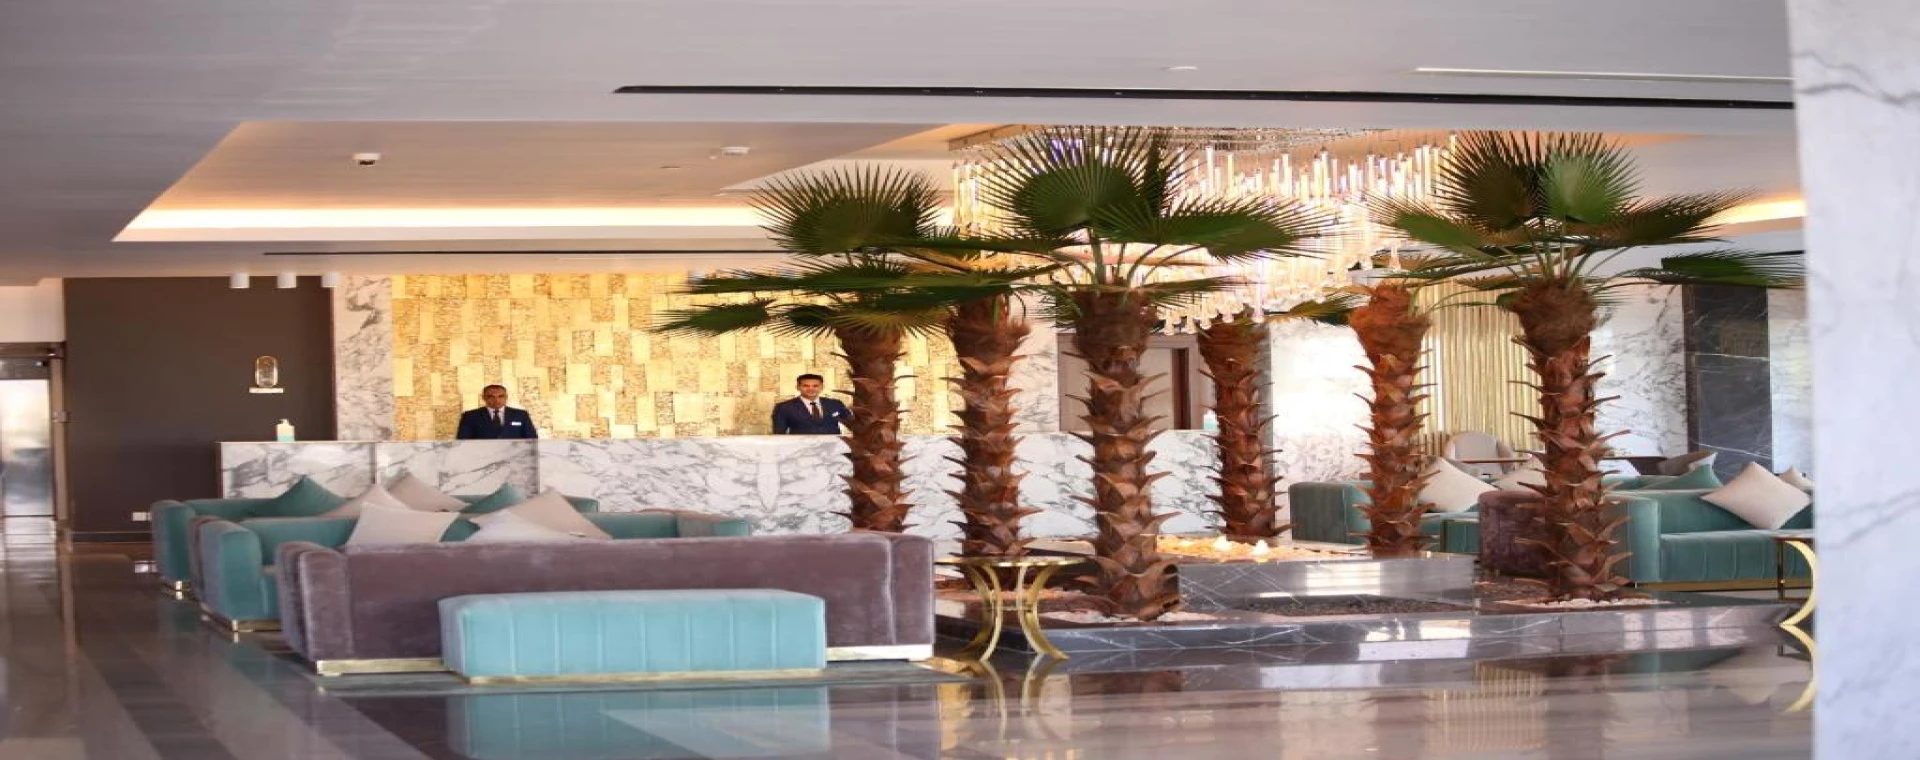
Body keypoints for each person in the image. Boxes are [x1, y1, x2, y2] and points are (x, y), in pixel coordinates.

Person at [771, 374, 850, 435]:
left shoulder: (835, 404)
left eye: (815, 386)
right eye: (805, 386)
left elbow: (852, 424)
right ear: (798, 387)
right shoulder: (784, 407)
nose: (811, 389)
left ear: (821, 387)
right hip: (800, 448)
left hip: (833, 447)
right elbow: (779, 433)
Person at [455, 384, 539, 439]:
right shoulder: (470, 416)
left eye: (500, 396)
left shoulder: (521, 415)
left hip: (514, 457)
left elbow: (531, 438)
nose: (496, 400)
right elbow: (463, 440)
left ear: (506, 397)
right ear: (484, 398)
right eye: (491, 396)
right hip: (483, 458)